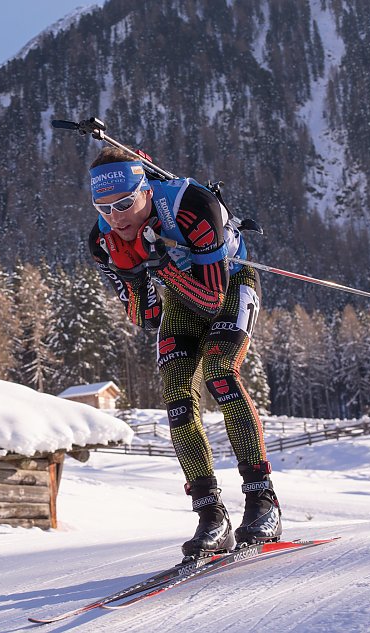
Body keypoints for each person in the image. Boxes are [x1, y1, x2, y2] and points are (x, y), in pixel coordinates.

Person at [87, 146, 282, 559]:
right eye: (104, 208)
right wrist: (133, 276)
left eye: (124, 203)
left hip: (231, 283)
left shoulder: (191, 206)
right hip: (180, 298)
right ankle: (211, 514)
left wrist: (163, 267)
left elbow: (212, 300)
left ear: (146, 190)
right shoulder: (102, 241)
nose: (116, 217)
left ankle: (262, 501)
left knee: (220, 373)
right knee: (177, 396)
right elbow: (147, 317)